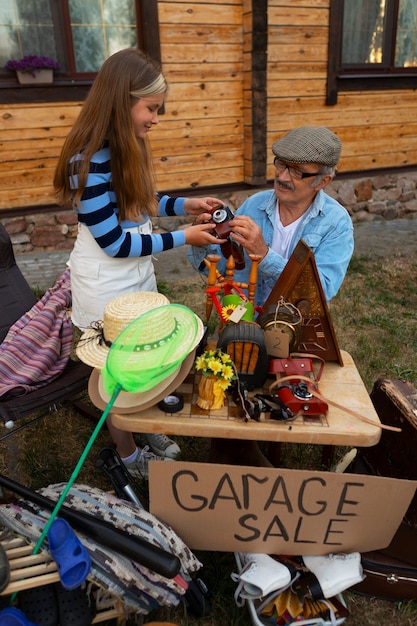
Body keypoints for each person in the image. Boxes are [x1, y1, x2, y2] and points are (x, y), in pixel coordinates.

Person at [53, 48, 223, 477]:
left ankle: (143, 421)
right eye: (151, 108)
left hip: (136, 270)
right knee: (115, 370)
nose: (156, 119)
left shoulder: (127, 147)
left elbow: (142, 204)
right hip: (106, 278)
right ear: (121, 101)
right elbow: (113, 242)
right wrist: (185, 236)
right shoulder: (87, 163)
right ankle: (128, 454)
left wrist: (187, 204)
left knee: (146, 351)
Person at [189, 125, 354, 305]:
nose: (282, 177)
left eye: (297, 171)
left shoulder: (336, 223)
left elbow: (319, 294)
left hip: (294, 325)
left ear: (323, 181)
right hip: (245, 317)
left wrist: (264, 255)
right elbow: (225, 271)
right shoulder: (254, 205)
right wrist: (203, 243)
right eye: (282, 164)